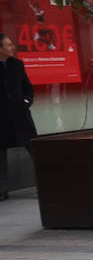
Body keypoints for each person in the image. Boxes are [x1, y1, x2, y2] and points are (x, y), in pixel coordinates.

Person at [0, 34, 38, 201]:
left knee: (34, 149)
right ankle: (2, 190)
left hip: (21, 116)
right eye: (8, 45)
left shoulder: (17, 65)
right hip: (2, 119)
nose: (12, 47)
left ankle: (46, 183)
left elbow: (28, 88)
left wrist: (26, 101)